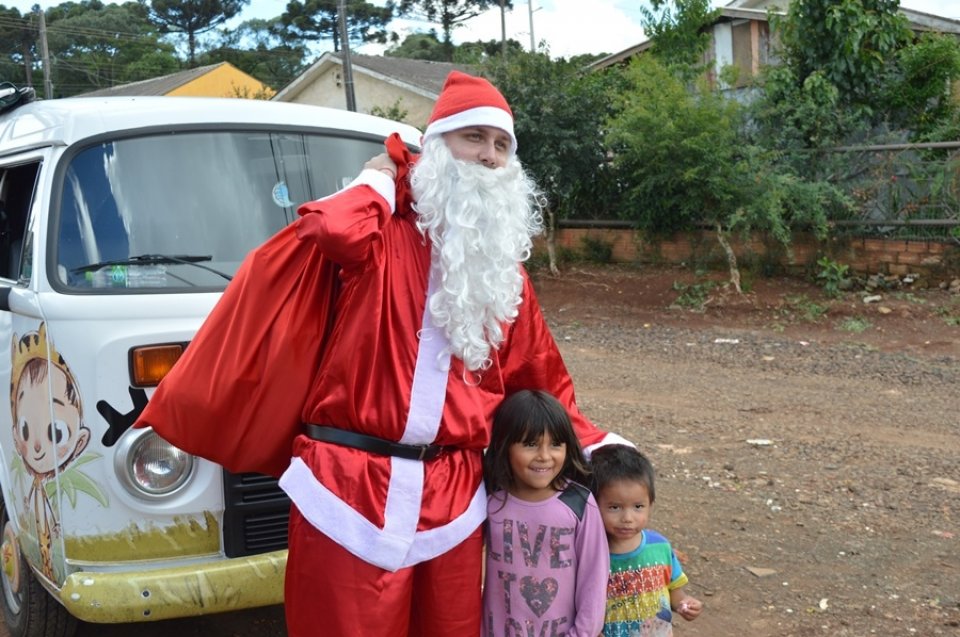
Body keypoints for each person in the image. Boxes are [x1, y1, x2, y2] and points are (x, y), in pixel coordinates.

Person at [135, 70, 632, 637]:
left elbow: (534, 375)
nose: (490, 157)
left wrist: (594, 444)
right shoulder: (380, 233)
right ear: (436, 147)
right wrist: (377, 177)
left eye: (501, 145)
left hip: (453, 500)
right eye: (473, 138)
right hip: (348, 491)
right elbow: (331, 233)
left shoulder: (503, 275)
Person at [482, 390, 610, 637]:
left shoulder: (579, 503)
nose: (544, 456)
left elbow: (593, 580)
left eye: (555, 444)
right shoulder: (490, 501)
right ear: (504, 445)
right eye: (530, 444)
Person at [589, 445, 703, 636]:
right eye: (615, 507)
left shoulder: (660, 546)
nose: (627, 518)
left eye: (638, 506)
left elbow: (675, 593)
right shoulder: (591, 554)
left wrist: (686, 605)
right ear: (593, 504)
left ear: (650, 505)